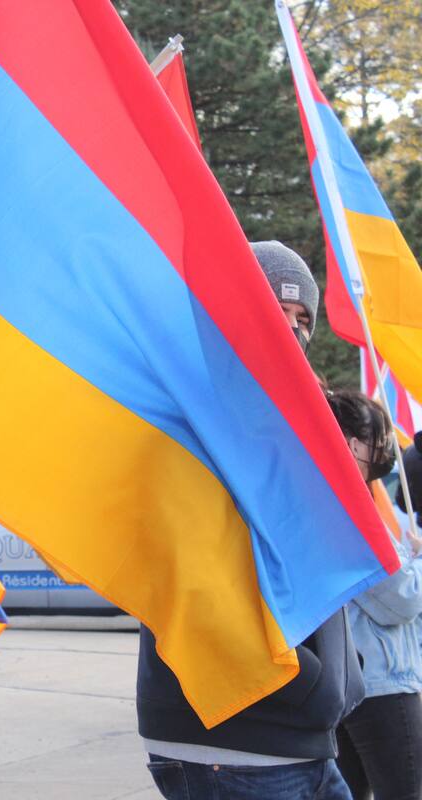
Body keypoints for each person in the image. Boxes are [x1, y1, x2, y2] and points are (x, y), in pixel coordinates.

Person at [139, 241, 364, 800]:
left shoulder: (287, 425)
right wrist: (317, 684)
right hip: (230, 743)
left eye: (303, 318)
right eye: (274, 306)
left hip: (300, 738)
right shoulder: (192, 416)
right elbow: (202, 580)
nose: (292, 328)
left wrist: (343, 675)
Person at [327, 390, 422, 800]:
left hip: (346, 683)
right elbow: (401, 599)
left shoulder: (321, 499)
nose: (383, 451)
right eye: (376, 440)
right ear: (351, 443)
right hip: (381, 685)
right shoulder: (349, 512)